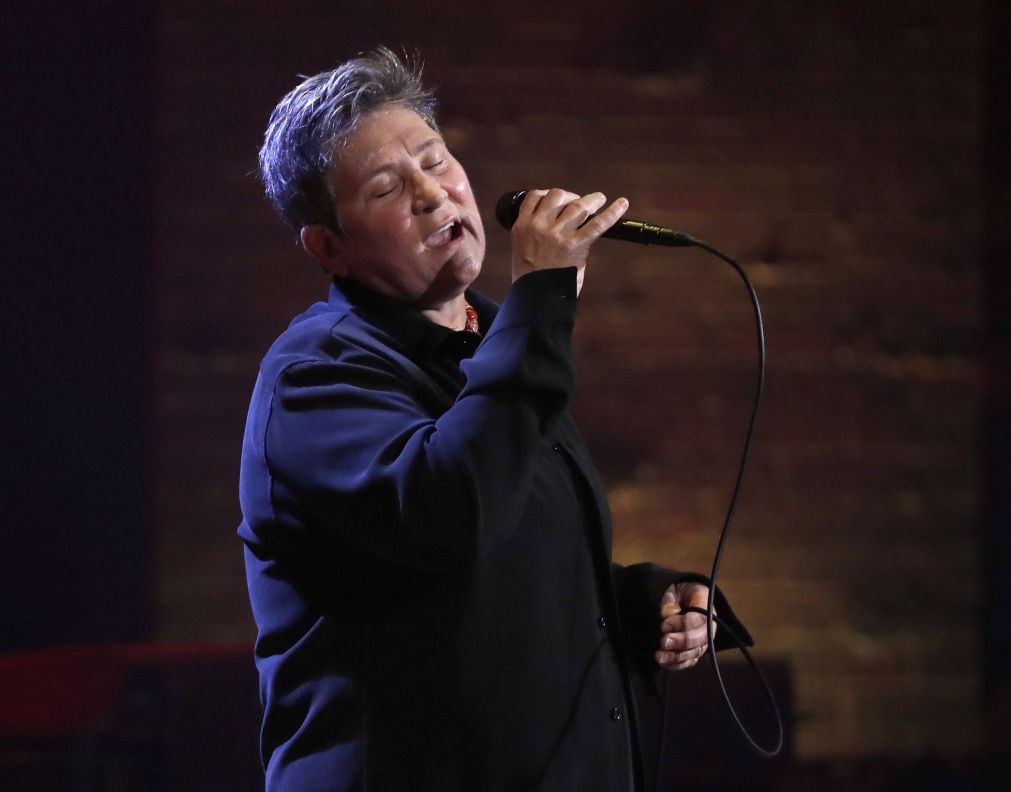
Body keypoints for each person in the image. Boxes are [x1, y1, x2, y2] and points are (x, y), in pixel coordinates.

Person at [238, 46, 751, 791]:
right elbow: (450, 514)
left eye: (436, 160)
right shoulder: (315, 377)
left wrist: (642, 606)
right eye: (388, 185)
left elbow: (502, 571)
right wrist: (542, 303)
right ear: (328, 247)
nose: (432, 193)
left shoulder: (491, 343)